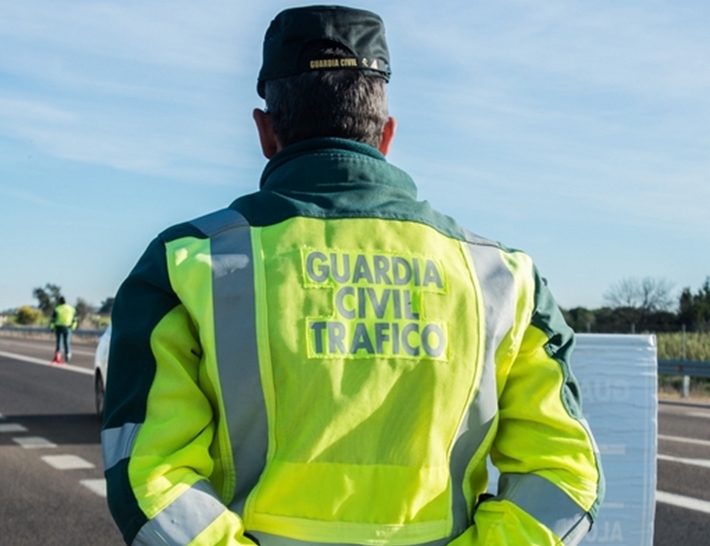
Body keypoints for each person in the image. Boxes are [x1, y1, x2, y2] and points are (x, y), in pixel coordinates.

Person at [101, 6, 603, 546]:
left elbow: (148, 477)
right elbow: (564, 476)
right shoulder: (503, 279)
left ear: (266, 131)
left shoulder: (185, 265)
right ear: (385, 135)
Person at [51, 297, 78, 362]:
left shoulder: (57, 308)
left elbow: (53, 320)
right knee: (67, 342)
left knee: (59, 341)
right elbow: (75, 319)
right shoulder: (71, 308)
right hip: (68, 327)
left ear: (60, 302)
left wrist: (52, 327)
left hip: (59, 327)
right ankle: (68, 355)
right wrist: (73, 327)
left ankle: (58, 356)